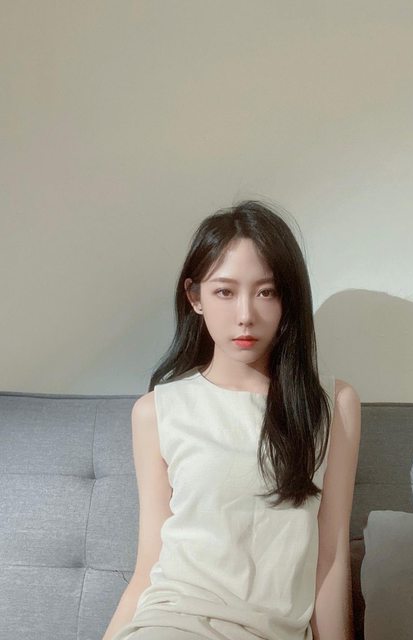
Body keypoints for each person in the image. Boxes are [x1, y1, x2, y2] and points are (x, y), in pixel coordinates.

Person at [103, 199, 361, 640]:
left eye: (266, 292)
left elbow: (330, 558)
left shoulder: (331, 404)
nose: (245, 315)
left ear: (288, 299)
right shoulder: (156, 411)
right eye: (224, 291)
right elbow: (148, 568)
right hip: (169, 625)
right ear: (195, 297)